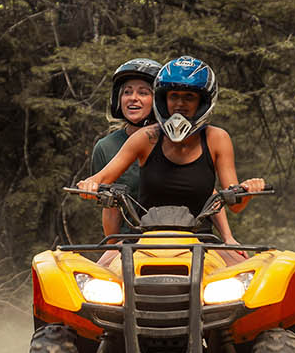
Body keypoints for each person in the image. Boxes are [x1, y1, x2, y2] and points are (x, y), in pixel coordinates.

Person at [76, 56, 265, 251]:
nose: (179, 104)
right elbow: (103, 179)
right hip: (141, 241)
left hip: (202, 242)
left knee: (247, 273)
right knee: (102, 273)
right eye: (173, 96)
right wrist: (89, 184)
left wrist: (248, 190)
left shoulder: (217, 138)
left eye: (189, 97)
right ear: (163, 99)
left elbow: (234, 202)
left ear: (203, 101)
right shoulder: (146, 137)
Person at [85, 57, 160, 241]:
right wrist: (112, 247)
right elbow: (110, 210)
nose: (133, 98)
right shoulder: (106, 147)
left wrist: (228, 238)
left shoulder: (176, 140)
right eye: (127, 92)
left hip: (181, 239)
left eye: (143, 93)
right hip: (130, 242)